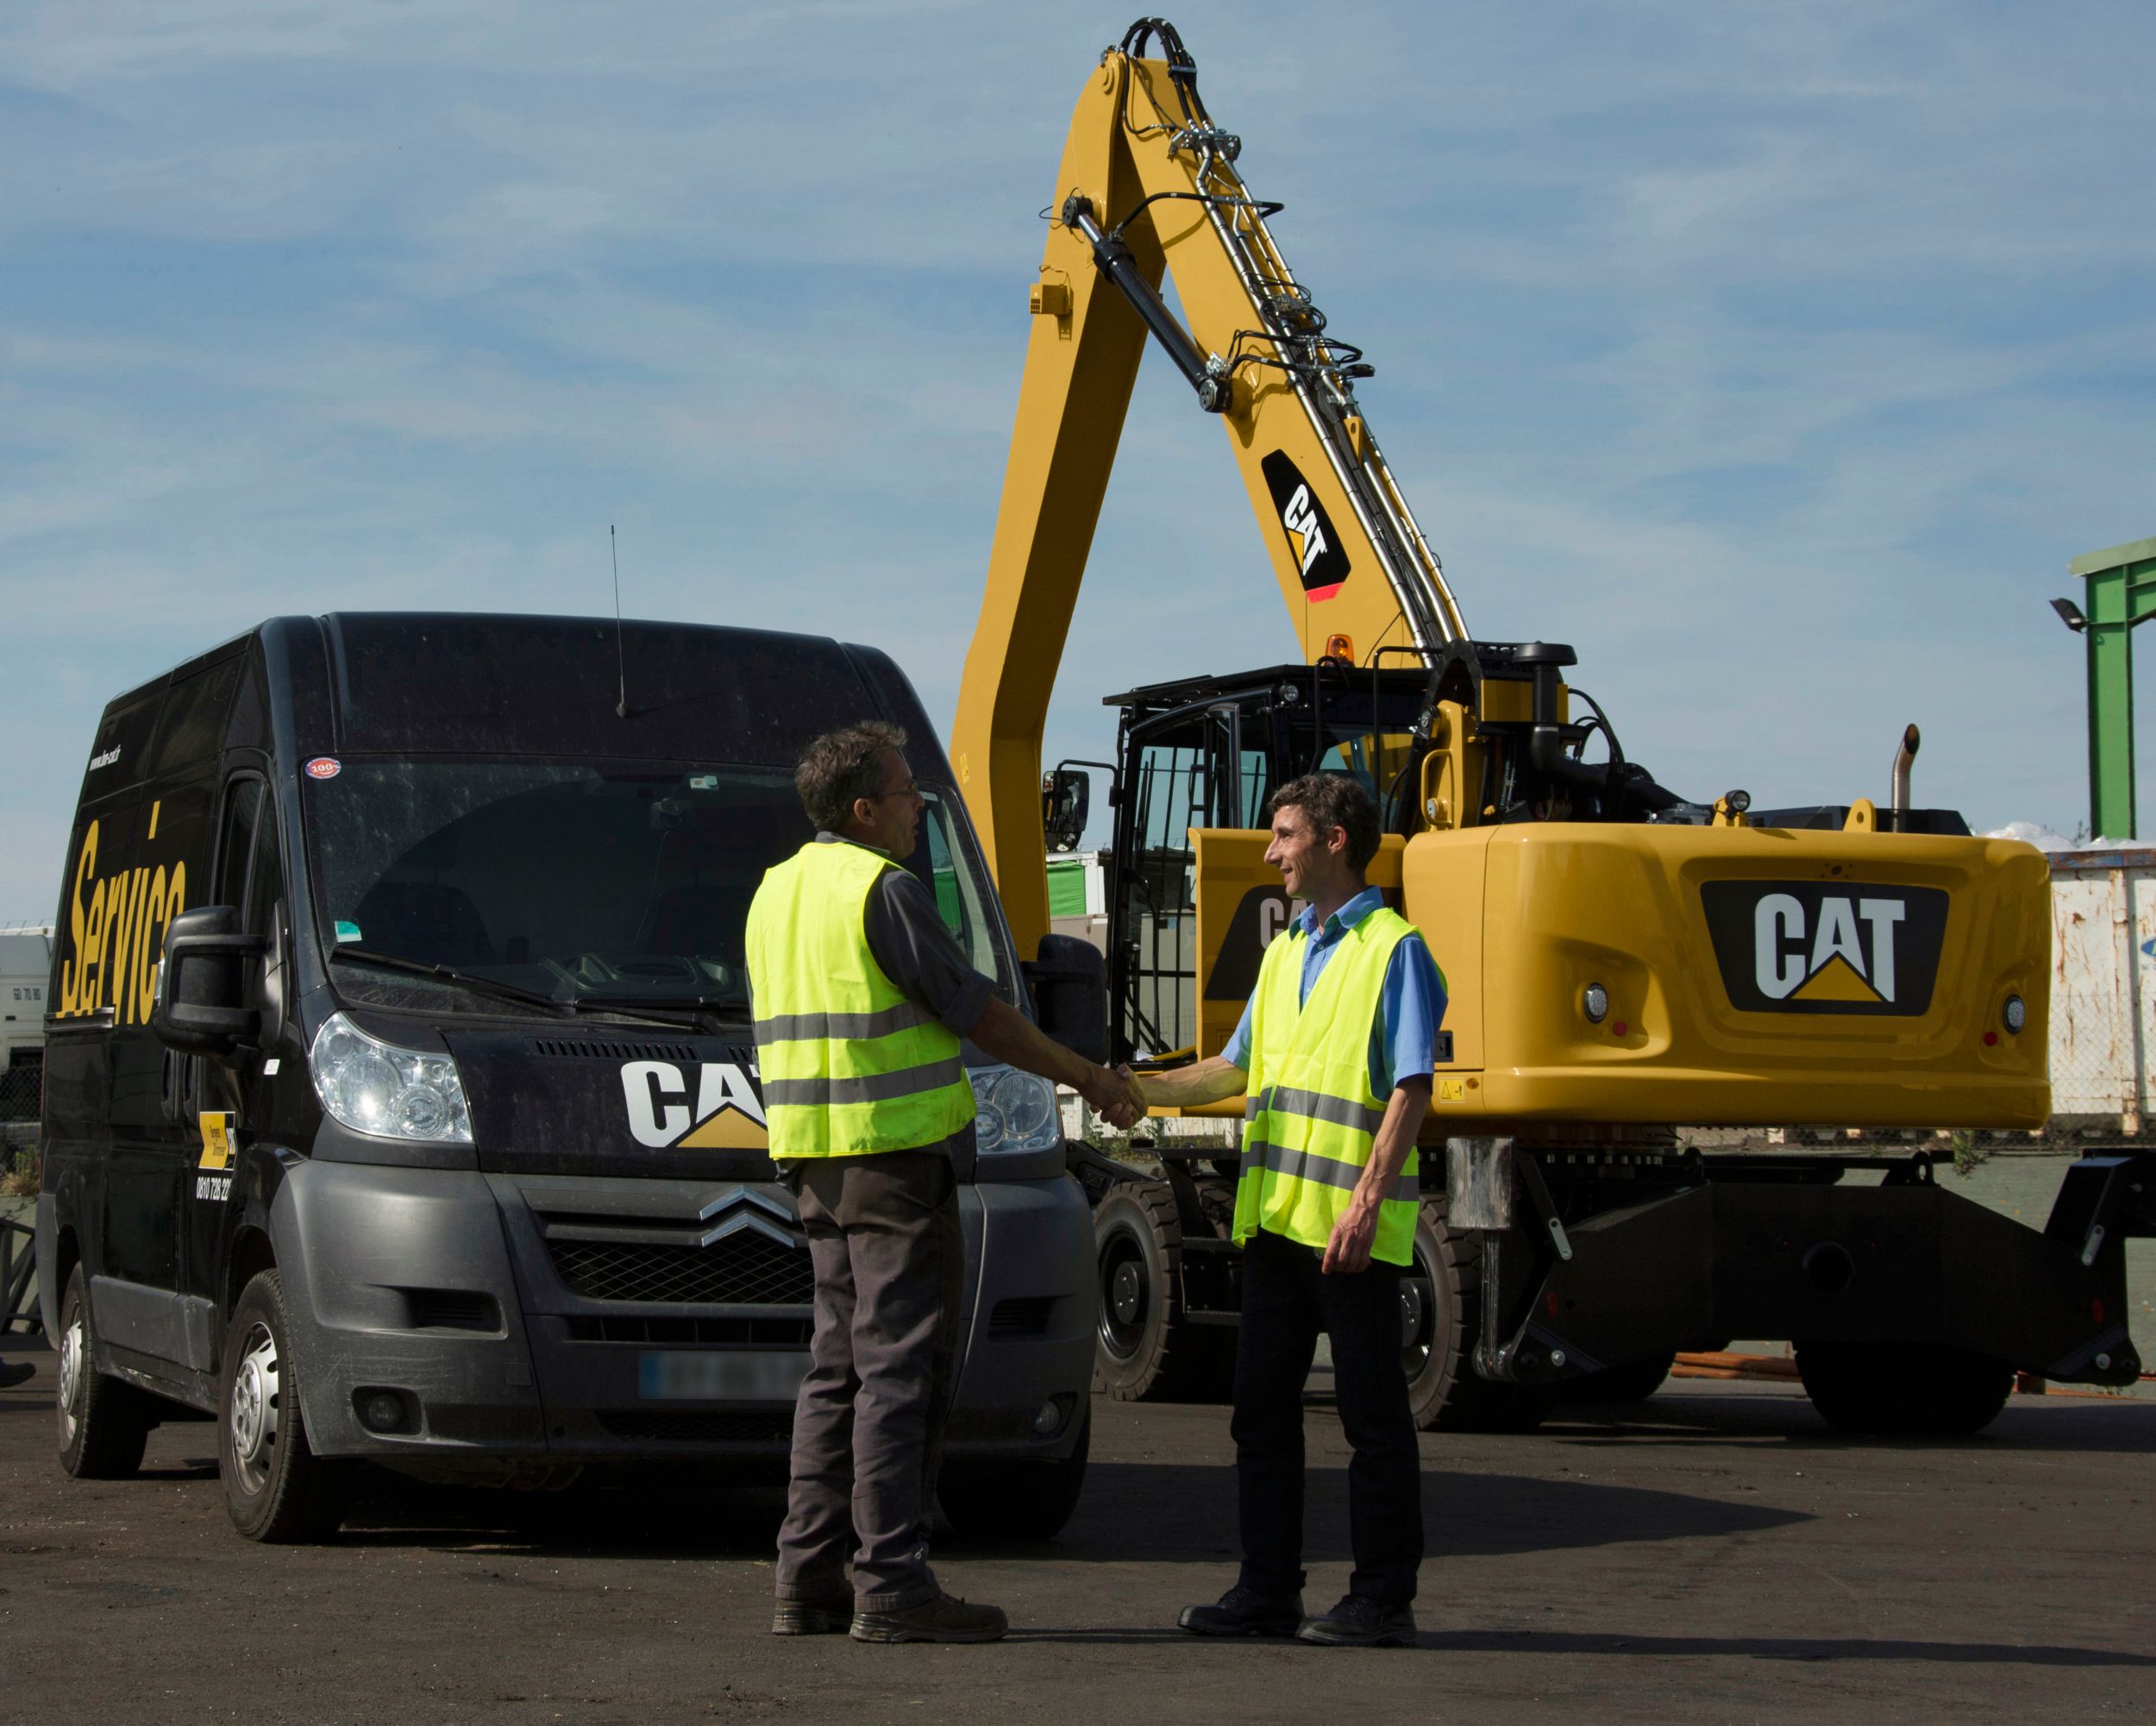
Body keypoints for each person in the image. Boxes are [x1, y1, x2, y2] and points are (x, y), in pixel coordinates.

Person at [746, 720, 1144, 1645]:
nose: (918, 803)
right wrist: (1087, 1077)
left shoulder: (775, 894)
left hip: (815, 1161)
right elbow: (983, 1019)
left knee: (837, 1368)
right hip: (892, 1160)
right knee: (898, 1371)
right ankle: (890, 1579)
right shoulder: (881, 891)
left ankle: (805, 1579)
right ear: (863, 808)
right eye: (904, 788)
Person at [1128, 773, 1444, 1648]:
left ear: (1334, 840)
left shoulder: (1394, 949)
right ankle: (1266, 1591)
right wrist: (1130, 1088)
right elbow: (1231, 1070)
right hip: (1274, 1229)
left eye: (1283, 835)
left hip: (1348, 1236)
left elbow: (1412, 1088)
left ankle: (1384, 1599)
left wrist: (1367, 1203)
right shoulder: (1283, 953)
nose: (1270, 853)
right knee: (1258, 1415)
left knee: (1371, 1423)